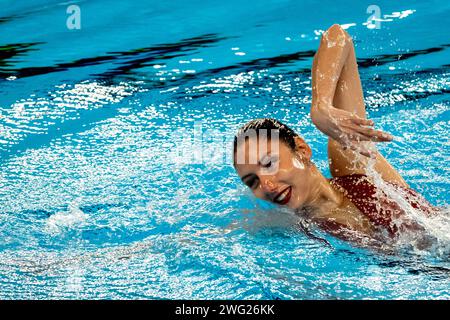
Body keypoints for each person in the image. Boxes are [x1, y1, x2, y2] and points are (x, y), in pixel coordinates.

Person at [233, 24, 436, 242]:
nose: (267, 185)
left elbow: (338, 36)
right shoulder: (288, 225)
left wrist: (320, 107)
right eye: (252, 181)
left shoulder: (351, 160)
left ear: (302, 150)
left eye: (269, 164)